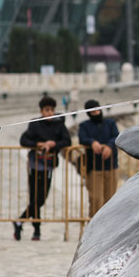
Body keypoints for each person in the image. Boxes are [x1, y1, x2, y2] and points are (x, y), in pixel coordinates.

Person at [14, 95, 70, 241]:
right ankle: (36, 230)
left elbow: (66, 140)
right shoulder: (35, 124)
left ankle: (19, 221)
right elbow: (23, 140)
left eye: (52, 110)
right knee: (34, 198)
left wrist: (53, 144)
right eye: (47, 110)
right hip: (35, 165)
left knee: (41, 199)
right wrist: (38, 144)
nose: (50, 113)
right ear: (41, 111)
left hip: (49, 165)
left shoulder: (59, 124)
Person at [77, 99, 119, 216]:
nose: (96, 112)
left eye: (97, 109)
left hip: (111, 166)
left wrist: (109, 147)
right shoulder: (84, 125)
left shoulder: (110, 123)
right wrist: (92, 142)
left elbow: (116, 136)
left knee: (111, 199)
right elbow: (82, 138)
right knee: (96, 200)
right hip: (94, 168)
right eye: (92, 111)